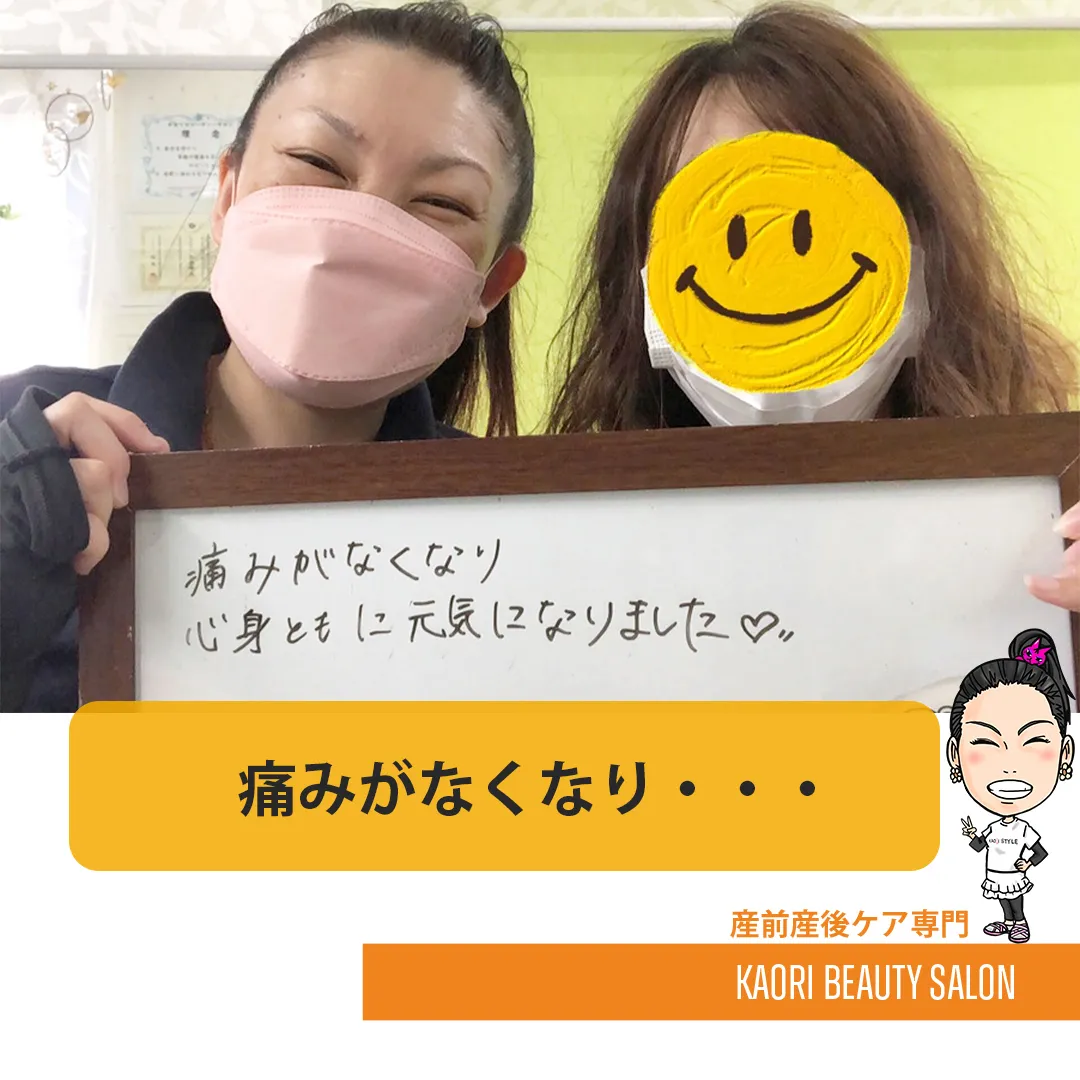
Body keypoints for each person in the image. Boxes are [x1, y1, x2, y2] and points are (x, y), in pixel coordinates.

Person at [0, 1, 535, 712]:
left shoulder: (518, 535)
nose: (359, 227)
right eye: (318, 162)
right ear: (226, 194)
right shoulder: (21, 444)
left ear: (490, 286)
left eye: (440, 202)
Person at [547, 2, 1079, 613]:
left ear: (920, 247)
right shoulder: (580, 553)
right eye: (714, 212)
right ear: (640, 276)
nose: (773, 266)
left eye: (821, 209)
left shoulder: (1036, 524)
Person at [949, 629, 1074, 944]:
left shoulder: (1027, 828)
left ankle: (1020, 922)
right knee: (1003, 899)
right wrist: (970, 835)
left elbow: (1041, 851)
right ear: (954, 754)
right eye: (984, 742)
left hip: (1015, 875)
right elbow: (979, 847)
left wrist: (1026, 863)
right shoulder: (993, 825)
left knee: (1015, 899)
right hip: (995, 876)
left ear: (1065, 753)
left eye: (1034, 740)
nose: (1009, 765)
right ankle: (1008, 921)